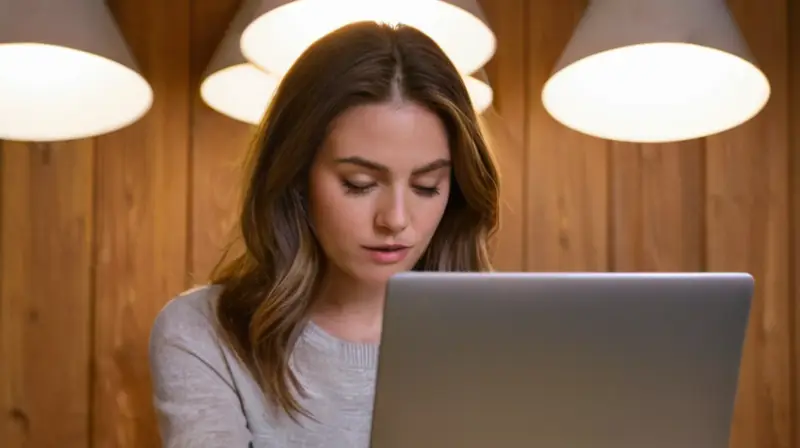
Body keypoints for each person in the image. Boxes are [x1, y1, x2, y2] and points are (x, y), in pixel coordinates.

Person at [148, 20, 501, 448]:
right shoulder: (204, 334)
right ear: (296, 177)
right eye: (359, 183)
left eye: (427, 186)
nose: (395, 219)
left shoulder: (504, 338)